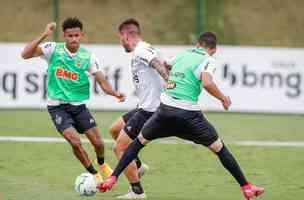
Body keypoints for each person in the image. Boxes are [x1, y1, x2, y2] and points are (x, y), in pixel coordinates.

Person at [97, 32, 265, 200]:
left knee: (138, 142)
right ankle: (246, 186)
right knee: (219, 148)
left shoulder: (183, 55)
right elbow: (207, 82)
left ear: (198, 45)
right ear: (213, 49)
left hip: (164, 111)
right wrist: (223, 98)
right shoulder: (209, 59)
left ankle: (113, 178)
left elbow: (165, 64)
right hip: (189, 116)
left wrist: (176, 79)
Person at [21, 17, 125, 185]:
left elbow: (102, 82)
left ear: (81, 35)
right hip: (57, 108)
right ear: (64, 36)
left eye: (77, 35)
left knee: (98, 143)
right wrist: (44, 35)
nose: (74, 39)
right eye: (70, 36)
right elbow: (25, 54)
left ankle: (102, 164)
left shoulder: (88, 57)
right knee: (75, 142)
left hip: (79, 107)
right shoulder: (53, 49)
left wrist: (114, 93)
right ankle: (94, 175)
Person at [108, 18, 169, 199]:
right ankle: (138, 166)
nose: (121, 42)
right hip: (144, 106)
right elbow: (163, 65)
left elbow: (158, 66)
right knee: (115, 130)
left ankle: (137, 192)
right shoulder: (146, 47)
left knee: (119, 149)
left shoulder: (141, 50)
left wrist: (172, 85)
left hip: (150, 111)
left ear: (125, 35)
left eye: (120, 38)